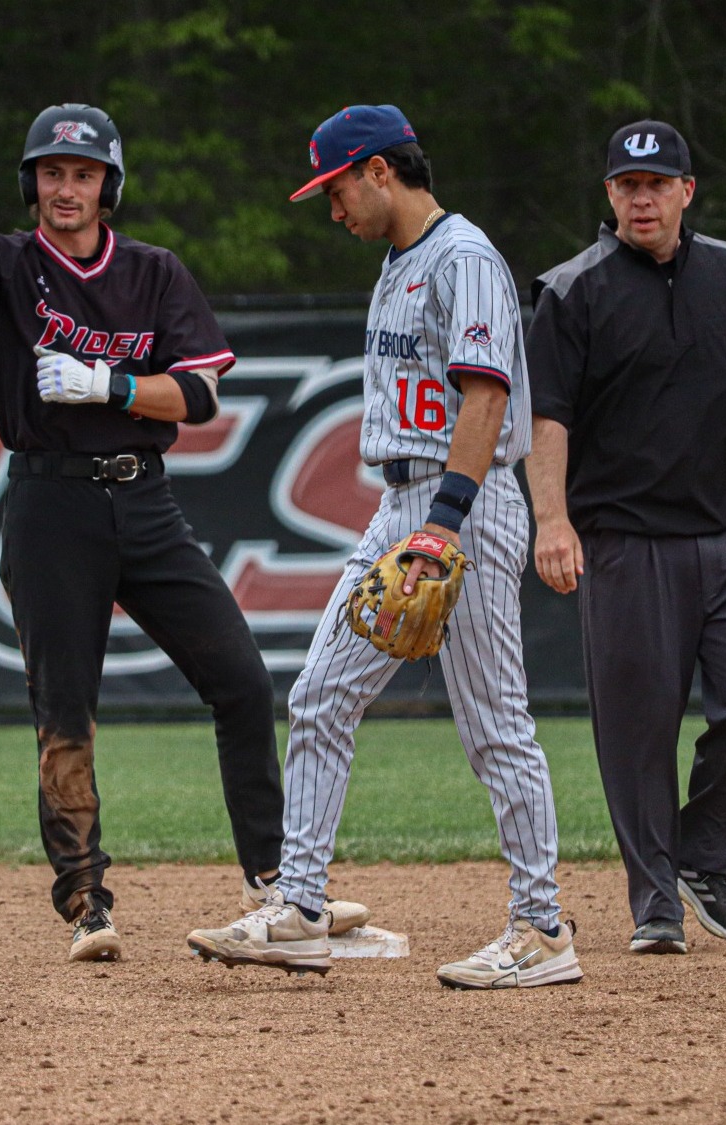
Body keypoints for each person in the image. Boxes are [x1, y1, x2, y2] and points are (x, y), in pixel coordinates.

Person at [0, 95, 364, 963]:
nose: (65, 188)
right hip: (50, 506)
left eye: (82, 173)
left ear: (107, 183)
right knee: (65, 711)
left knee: (241, 680)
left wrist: (110, 387)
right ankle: (86, 899)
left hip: (143, 498)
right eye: (51, 172)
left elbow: (198, 396)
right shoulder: (9, 265)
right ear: (33, 183)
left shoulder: (153, 272)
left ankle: (274, 884)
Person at [186, 105, 578, 989]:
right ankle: (300, 908)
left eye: (334, 189)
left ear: (376, 171)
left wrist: (443, 522)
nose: (332, 210)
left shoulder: (463, 257)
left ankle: (543, 924)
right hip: (405, 503)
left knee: (493, 724)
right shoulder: (401, 265)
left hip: (459, 506)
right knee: (320, 695)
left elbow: (484, 399)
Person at [524, 120, 726, 954]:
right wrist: (553, 519)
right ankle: (656, 904)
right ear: (609, 194)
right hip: (623, 541)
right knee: (638, 730)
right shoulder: (573, 290)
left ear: (687, 190)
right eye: (625, 185)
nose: (640, 198)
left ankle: (702, 855)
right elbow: (549, 419)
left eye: (656, 184)